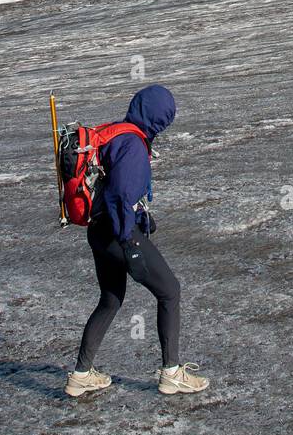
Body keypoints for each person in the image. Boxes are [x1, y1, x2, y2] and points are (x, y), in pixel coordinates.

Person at [65, 84, 209, 398]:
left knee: (111, 299)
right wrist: (130, 240)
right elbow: (120, 196)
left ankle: (81, 374)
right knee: (170, 291)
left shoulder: (118, 132)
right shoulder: (133, 144)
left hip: (98, 233)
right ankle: (172, 373)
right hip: (118, 235)